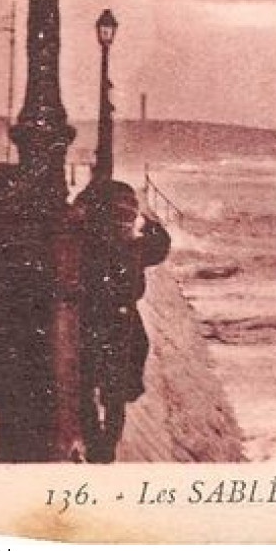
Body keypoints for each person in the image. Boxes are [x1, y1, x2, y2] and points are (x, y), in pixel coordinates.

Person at [76, 180, 170, 463]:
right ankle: (106, 444)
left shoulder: (85, 245)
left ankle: (96, 441)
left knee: (87, 385)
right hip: (121, 322)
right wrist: (151, 221)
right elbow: (161, 246)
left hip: (89, 319)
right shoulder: (133, 248)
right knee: (114, 391)